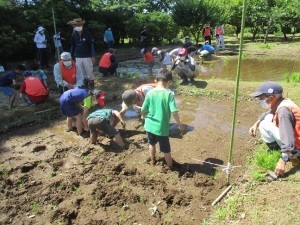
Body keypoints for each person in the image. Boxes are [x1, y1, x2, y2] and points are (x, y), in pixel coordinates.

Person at [249, 81, 300, 177]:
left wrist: (282, 161)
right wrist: (255, 124)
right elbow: (269, 113)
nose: (260, 100)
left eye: (261, 97)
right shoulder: (282, 102)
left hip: (295, 146)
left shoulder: (283, 112)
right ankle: (281, 151)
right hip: (296, 142)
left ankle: (290, 155)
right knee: (266, 118)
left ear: (271, 97)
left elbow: (288, 138)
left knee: (264, 125)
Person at [141, 69, 183, 168]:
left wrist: (143, 116)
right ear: (169, 82)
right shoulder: (169, 94)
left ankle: (152, 160)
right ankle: (170, 166)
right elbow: (174, 111)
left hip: (149, 125)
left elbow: (143, 109)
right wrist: (179, 125)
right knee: (166, 149)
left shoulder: (150, 93)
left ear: (156, 80)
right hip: (161, 128)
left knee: (151, 143)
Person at [68, 18, 96, 90]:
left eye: (79, 25)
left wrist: (93, 55)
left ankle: (92, 90)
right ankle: (85, 90)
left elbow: (91, 45)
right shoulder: (73, 34)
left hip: (87, 56)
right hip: (78, 57)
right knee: (81, 74)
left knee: (89, 73)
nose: (77, 26)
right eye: (76, 25)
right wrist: (70, 56)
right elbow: (73, 45)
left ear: (82, 25)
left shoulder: (87, 34)